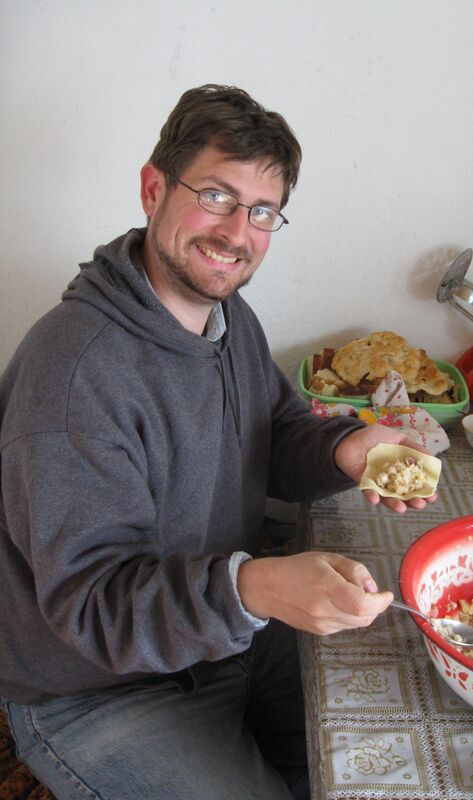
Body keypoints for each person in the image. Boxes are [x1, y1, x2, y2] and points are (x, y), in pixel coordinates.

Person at [0, 84, 436, 800]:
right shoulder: (74, 376)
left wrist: (344, 451)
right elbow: (92, 605)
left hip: (220, 636)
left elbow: (273, 432)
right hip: (94, 689)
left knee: (389, 744)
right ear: (154, 189)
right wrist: (254, 587)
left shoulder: (228, 319)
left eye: (262, 211)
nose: (238, 232)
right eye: (216, 196)